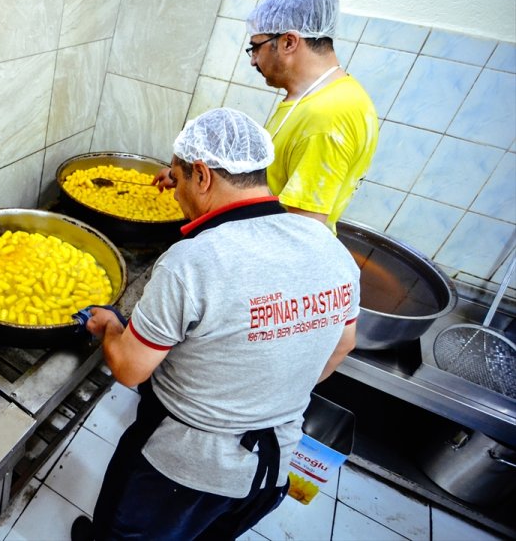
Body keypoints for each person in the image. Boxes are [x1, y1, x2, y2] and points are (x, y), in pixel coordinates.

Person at [72, 108, 360, 540]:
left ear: (202, 176)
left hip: (180, 468)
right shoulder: (329, 247)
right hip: (270, 468)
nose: (175, 193)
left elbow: (130, 369)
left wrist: (111, 325)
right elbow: (343, 345)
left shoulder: (194, 261)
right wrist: (263, 394)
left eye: (178, 178)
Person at [154, 0, 378, 235]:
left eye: (255, 47)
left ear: (289, 42)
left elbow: (299, 230)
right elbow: (268, 178)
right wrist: (187, 178)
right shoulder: (314, 98)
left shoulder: (328, 116)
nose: (252, 60)